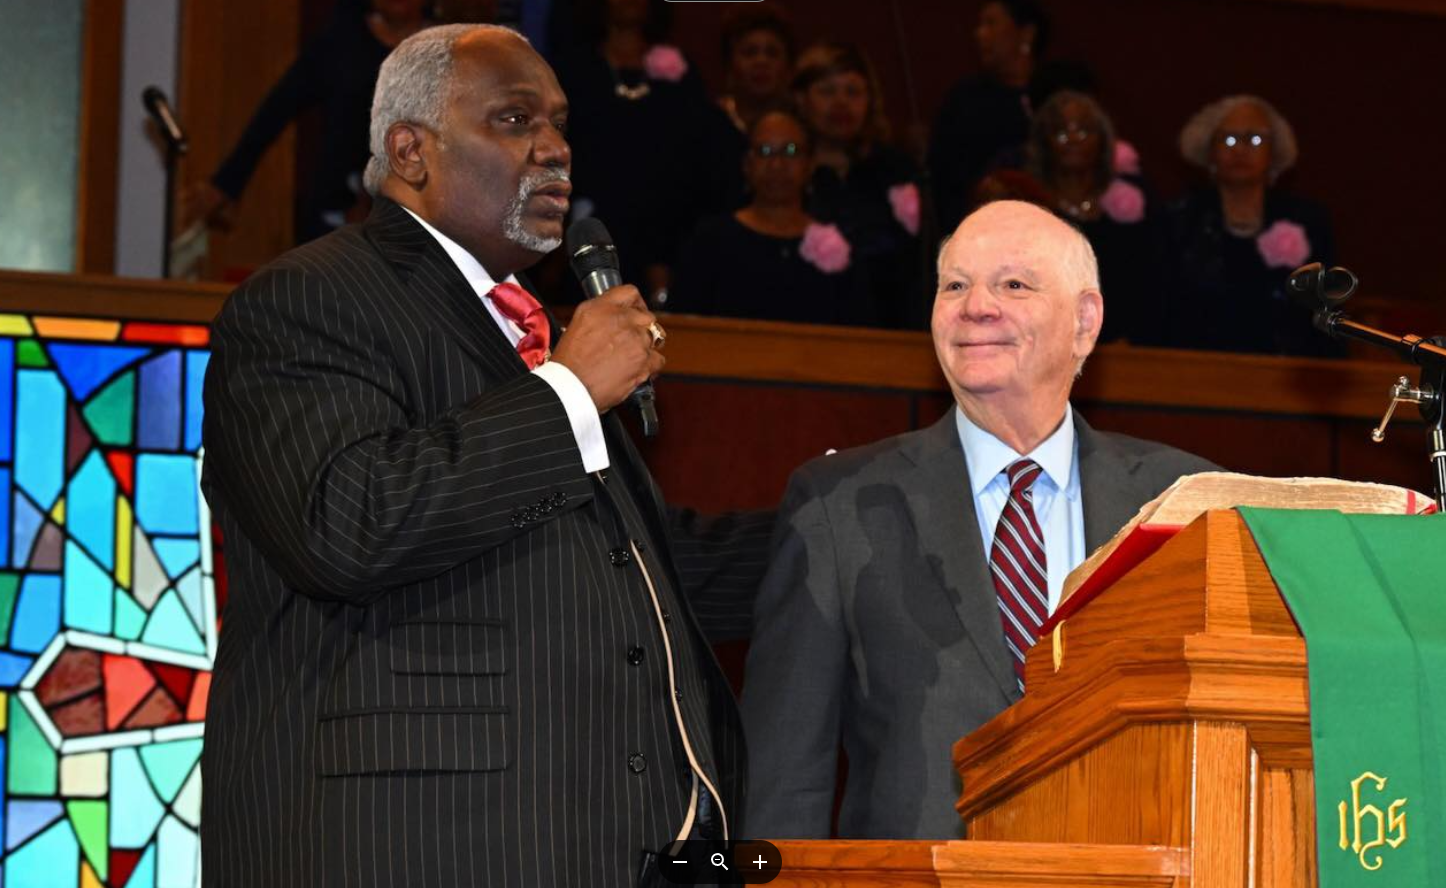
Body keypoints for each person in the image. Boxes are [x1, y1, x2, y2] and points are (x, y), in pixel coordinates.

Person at [200, 24, 770, 887]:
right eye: (514, 120)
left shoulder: (529, 336)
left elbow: (639, 563)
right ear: (410, 150)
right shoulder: (307, 297)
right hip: (411, 847)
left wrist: (846, 524)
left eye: (560, 123)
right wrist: (571, 394)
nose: (555, 149)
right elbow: (343, 523)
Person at [740, 200, 1216, 840]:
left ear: (1085, 321)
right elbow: (784, 775)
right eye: (955, 286)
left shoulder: (1183, 499)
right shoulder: (839, 504)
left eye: (1013, 285)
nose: (976, 306)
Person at [185, 0, 434, 242]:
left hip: (421, 212)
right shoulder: (339, 42)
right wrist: (226, 183)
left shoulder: (447, 49)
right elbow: (276, 111)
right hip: (337, 210)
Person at [550, 0, 740, 301]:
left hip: (669, 235)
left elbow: (701, 162)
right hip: (591, 232)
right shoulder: (572, 69)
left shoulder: (680, 73)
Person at [1162, 95, 1344, 357]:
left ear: (1274, 154)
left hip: (1286, 370)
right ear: (1209, 152)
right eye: (1228, 139)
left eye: (1255, 139)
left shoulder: (1307, 220)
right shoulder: (1178, 220)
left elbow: (1324, 311)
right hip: (1195, 367)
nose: (1240, 150)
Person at [669, 110, 873, 326]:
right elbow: (683, 324)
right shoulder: (711, 240)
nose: (777, 165)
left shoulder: (837, 245)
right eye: (764, 151)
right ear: (747, 164)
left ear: (810, 165)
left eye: (791, 151)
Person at [1009, 90, 1160, 343]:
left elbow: (1150, 284)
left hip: (1122, 349)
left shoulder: (1131, 202)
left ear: (1103, 141)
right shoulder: (1026, 206)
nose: (1072, 140)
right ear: (1043, 143)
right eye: (1060, 132)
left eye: (1083, 131)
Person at [793, 41, 923, 328]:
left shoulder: (894, 170)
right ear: (801, 100)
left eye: (852, 91)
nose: (841, 103)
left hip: (891, 328)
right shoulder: (788, 174)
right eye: (827, 91)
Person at [929, 0, 1048, 235]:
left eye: (991, 23)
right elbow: (944, 178)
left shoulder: (1055, 94)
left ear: (1027, 33)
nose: (980, 34)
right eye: (980, 24)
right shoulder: (965, 98)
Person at [716, 6, 796, 135]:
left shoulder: (804, 124)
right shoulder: (709, 123)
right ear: (730, 65)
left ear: (789, 68)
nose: (761, 62)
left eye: (772, 53)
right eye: (749, 53)